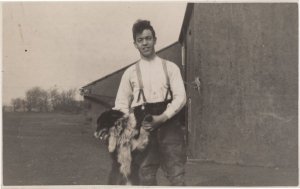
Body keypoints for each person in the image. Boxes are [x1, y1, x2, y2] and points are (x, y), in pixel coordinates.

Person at [113, 19, 187, 186]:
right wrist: (131, 129)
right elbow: (121, 105)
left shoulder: (171, 68)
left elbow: (181, 97)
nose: (145, 43)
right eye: (140, 40)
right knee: (145, 174)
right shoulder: (130, 73)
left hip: (170, 126)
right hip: (143, 130)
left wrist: (162, 117)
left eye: (148, 38)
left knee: (177, 174)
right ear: (135, 44)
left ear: (154, 39)